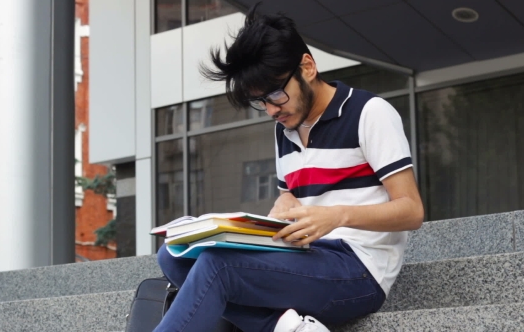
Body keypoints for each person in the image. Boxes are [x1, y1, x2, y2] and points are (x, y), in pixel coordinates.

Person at [154, 4, 424, 332]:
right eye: (260, 101)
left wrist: (337, 216)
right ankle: (289, 327)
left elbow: (412, 211)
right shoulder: (285, 130)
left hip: (358, 269)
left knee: (217, 266)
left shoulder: (369, 113)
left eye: (276, 94)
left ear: (307, 67)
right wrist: (281, 205)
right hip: (305, 256)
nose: (270, 109)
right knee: (174, 255)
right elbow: (289, 199)